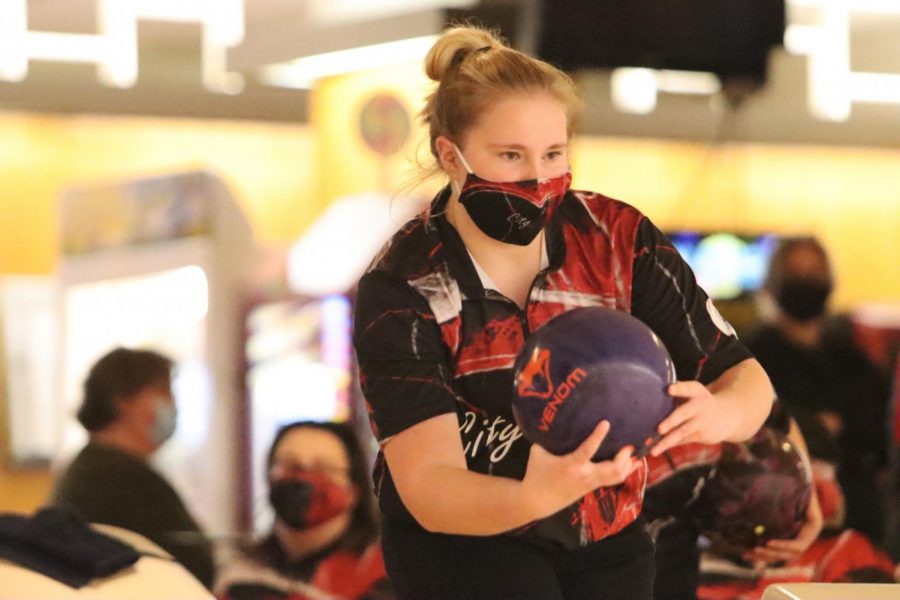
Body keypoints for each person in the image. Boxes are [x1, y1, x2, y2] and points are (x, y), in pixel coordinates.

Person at [351, 25, 775, 600]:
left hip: (605, 530)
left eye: (554, 153)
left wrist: (717, 415)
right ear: (450, 156)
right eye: (510, 156)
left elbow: (749, 384)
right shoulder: (401, 283)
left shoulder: (619, 238)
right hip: (463, 539)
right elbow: (430, 488)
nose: (538, 178)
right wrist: (535, 494)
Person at [745, 236, 892, 544]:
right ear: (775, 279)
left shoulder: (853, 356)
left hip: (857, 516)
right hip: (776, 511)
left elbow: (876, 437)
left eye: (814, 271)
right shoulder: (750, 355)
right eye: (795, 271)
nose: (806, 280)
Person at [50, 347, 215, 588]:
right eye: (164, 391)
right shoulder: (114, 477)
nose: (173, 404)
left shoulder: (98, 466)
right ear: (123, 401)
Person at [214, 421, 393, 600]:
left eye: (322, 468)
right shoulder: (241, 570)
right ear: (269, 478)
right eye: (291, 465)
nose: (303, 477)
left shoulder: (384, 571)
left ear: (354, 490)